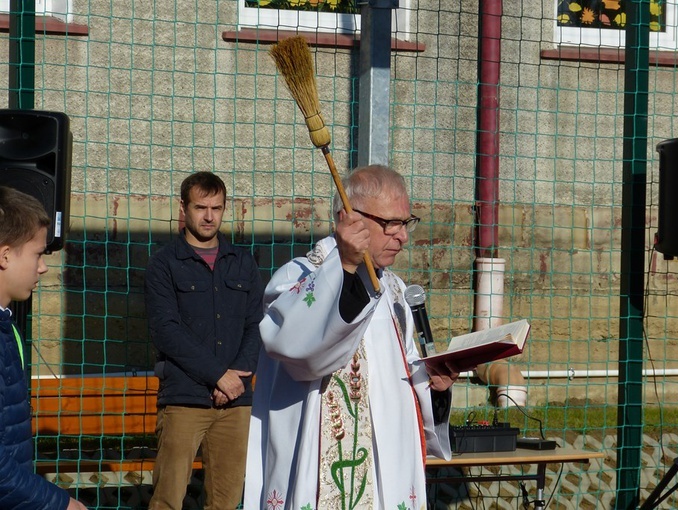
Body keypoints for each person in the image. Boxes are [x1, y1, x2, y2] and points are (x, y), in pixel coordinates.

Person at [244, 165, 458, 510]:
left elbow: (405, 381)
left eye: (406, 223)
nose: (402, 237)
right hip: (317, 470)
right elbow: (297, 354)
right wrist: (343, 265)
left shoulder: (396, 291)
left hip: (381, 473)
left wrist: (437, 387)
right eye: (391, 224)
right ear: (350, 220)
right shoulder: (299, 277)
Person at [145, 172, 264, 510]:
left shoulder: (242, 263)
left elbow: (257, 324)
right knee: (167, 500)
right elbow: (166, 331)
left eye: (217, 208)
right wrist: (217, 375)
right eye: (201, 207)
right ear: (183, 208)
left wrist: (237, 376)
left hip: (236, 403)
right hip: (184, 400)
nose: (209, 216)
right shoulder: (164, 265)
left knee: (226, 502)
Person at [0, 186, 88, 510]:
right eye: (38, 254)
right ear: (5, 255)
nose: (43, 267)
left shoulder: (7, 325)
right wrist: (60, 503)